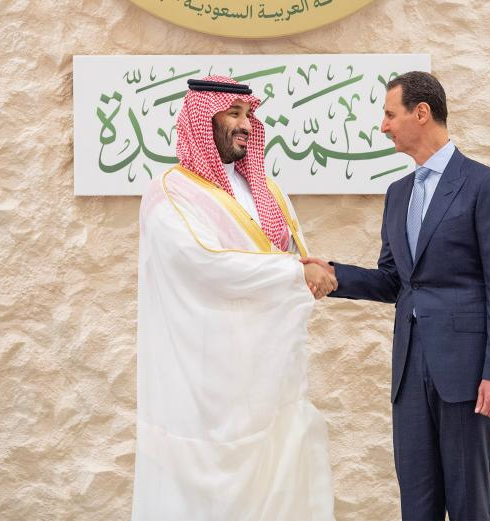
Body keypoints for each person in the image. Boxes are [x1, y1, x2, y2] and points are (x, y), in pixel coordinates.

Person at [304, 71, 490, 521]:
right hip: (409, 372)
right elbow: (395, 281)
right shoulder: (398, 193)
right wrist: (334, 275)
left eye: (389, 114)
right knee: (417, 507)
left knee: (468, 506)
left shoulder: (485, 185)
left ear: (421, 113)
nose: (383, 126)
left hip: (467, 376)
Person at [132, 76, 337, 521]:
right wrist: (293, 273)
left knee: (276, 484)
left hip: (269, 374)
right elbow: (204, 262)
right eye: (234, 114)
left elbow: (290, 251)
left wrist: (304, 268)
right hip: (206, 381)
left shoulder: (266, 189)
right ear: (205, 120)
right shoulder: (170, 193)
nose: (246, 125)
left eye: (249, 116)